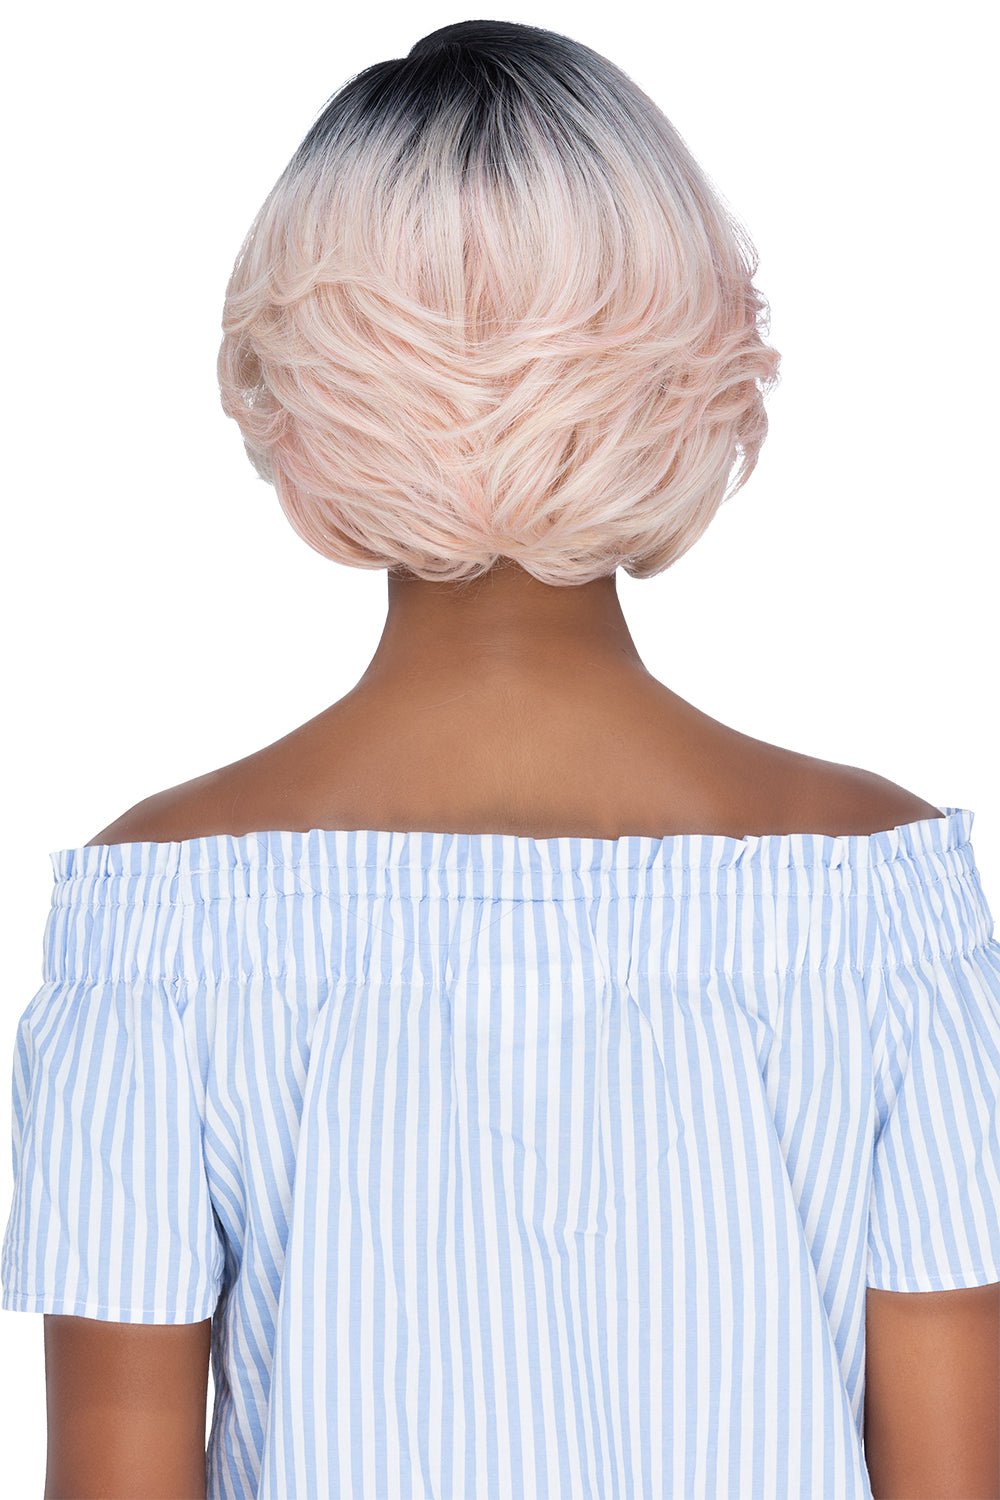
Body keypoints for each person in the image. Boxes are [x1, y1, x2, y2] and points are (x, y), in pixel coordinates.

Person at [3, 18, 999, 1500]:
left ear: (306, 384)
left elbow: (117, 1471)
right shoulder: (883, 910)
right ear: (689, 361)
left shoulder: (164, 925)